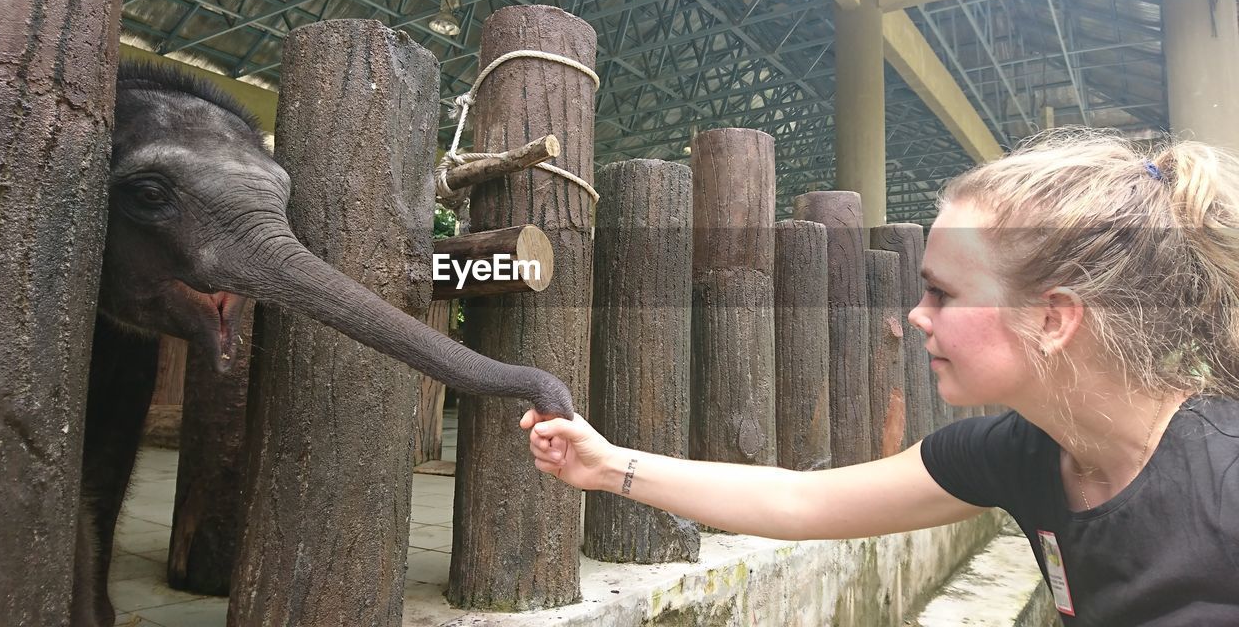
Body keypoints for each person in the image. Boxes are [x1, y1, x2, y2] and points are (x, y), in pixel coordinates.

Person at [520, 129, 1239, 626]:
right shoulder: (1022, 455)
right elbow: (800, 501)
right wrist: (609, 465)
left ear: (1053, 319)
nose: (915, 317)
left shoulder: (1223, 483)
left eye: (944, 294)